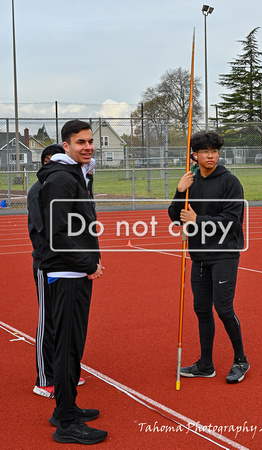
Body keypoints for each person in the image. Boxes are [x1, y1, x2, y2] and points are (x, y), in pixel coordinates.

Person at [37, 120, 108, 444]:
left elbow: (80, 225)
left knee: (73, 346)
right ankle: (66, 423)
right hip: (66, 275)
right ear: (66, 146)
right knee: (66, 349)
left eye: (91, 141)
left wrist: (90, 260)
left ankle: (66, 408)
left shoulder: (77, 174)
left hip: (75, 272)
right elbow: (59, 234)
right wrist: (89, 262)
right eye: (81, 142)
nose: (88, 146)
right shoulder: (62, 179)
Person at [168, 131, 249, 384]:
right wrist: (180, 192)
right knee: (201, 308)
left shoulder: (230, 182)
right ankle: (205, 364)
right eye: (205, 151)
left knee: (223, 309)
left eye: (214, 151)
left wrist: (197, 220)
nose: (210, 155)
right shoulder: (191, 180)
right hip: (199, 255)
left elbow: (231, 221)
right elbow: (175, 215)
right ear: (195, 154)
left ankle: (240, 360)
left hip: (224, 254)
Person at [28, 144, 85, 399]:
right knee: (48, 320)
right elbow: (47, 230)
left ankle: (63, 372)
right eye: (49, 161)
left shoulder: (66, 185)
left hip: (64, 265)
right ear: (44, 163)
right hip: (45, 263)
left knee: (63, 322)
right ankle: (44, 377)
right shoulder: (38, 190)